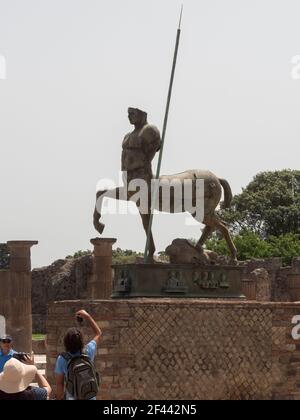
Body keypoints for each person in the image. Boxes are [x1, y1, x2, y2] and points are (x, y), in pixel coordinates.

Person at [55, 309, 102, 400]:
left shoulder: (62, 358)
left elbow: (59, 384)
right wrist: (87, 316)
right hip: (89, 395)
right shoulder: (88, 351)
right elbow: (98, 333)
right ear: (81, 341)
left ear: (66, 342)